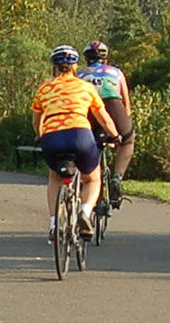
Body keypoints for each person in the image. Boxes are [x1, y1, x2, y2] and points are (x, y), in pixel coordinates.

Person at [31, 44, 120, 240]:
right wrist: (115, 136)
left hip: (52, 138)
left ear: (54, 66)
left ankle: (55, 225)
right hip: (81, 136)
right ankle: (85, 212)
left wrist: (40, 135)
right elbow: (104, 119)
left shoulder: (44, 89)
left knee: (55, 178)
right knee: (92, 179)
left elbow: (37, 120)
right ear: (75, 66)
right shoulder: (86, 88)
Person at [77, 40, 135, 208]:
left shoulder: (80, 74)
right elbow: (126, 104)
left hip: (89, 111)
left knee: (86, 145)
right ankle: (117, 176)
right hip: (114, 107)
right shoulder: (116, 72)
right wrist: (124, 124)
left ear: (86, 59)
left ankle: (86, 180)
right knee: (128, 140)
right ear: (106, 59)